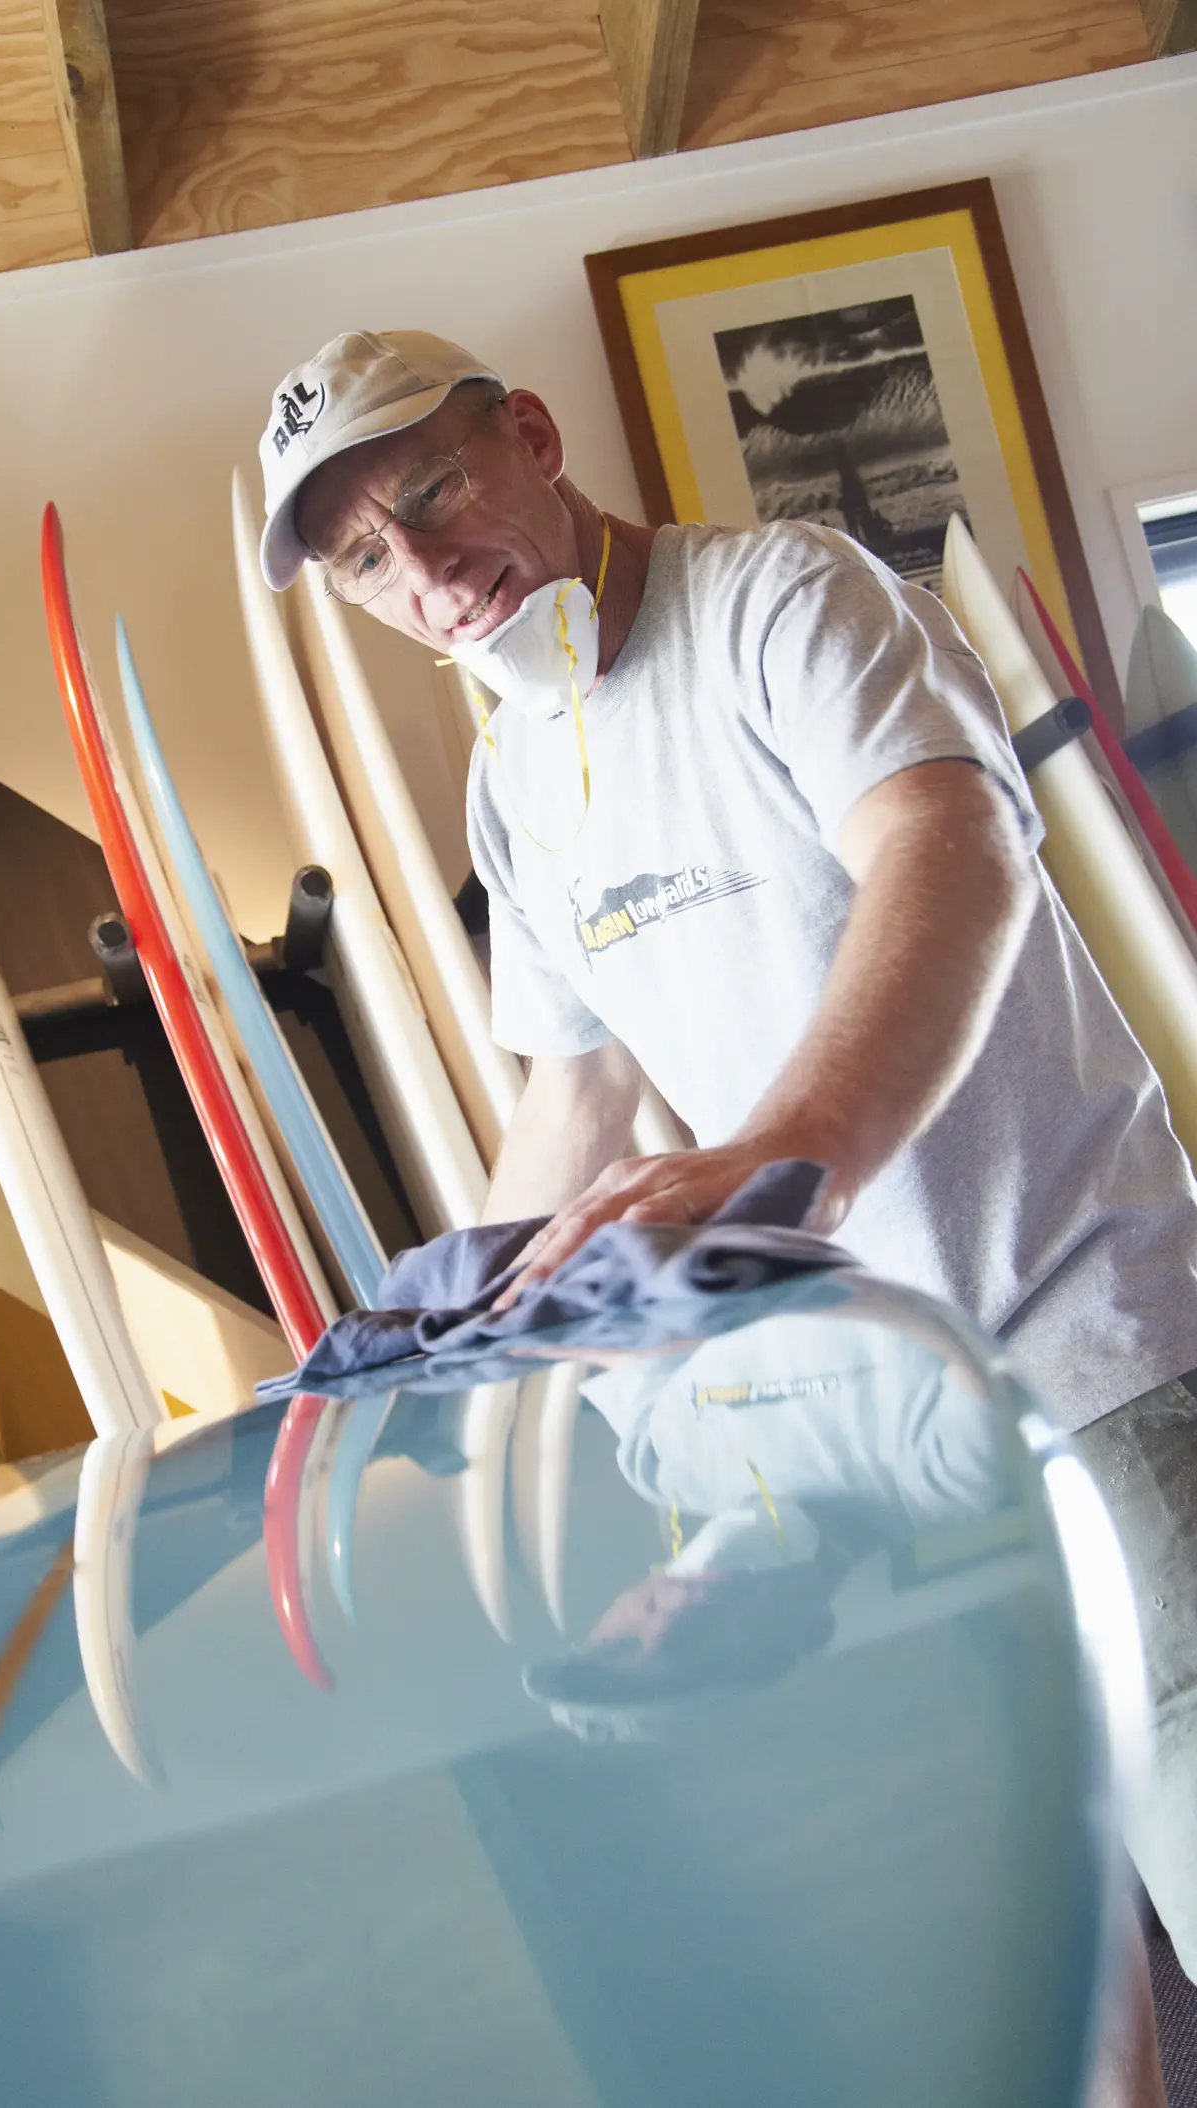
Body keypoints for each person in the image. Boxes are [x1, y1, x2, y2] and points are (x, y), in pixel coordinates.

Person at [260, 327, 1189, 2105]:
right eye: (370, 558)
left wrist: (796, 1155)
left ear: (532, 436)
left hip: (1096, 1356)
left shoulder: (786, 599)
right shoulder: (516, 780)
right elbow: (573, 1102)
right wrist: (412, 1380)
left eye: (435, 492)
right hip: (884, 1447)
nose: (429, 573)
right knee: (1078, 1990)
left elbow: (956, 850)